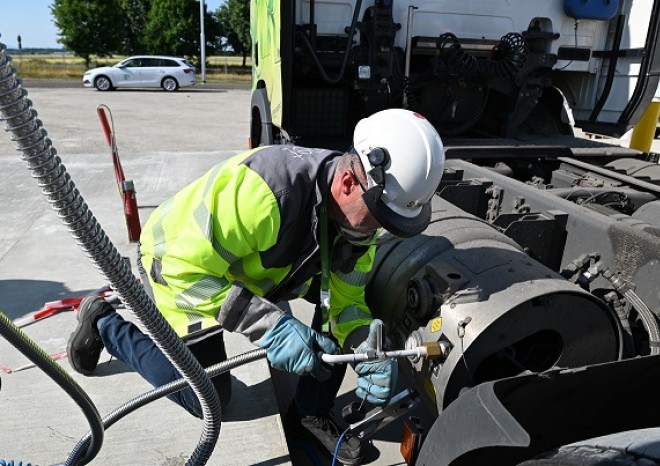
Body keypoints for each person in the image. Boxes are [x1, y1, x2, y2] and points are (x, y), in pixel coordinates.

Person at [66, 108, 445, 465]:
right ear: (348, 182)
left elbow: (344, 301)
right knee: (208, 397)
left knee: (330, 334)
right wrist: (270, 325)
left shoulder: (355, 220)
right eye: (378, 216)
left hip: (250, 266)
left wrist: (361, 341)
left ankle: (310, 415)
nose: (376, 229)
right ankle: (104, 322)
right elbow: (184, 270)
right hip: (177, 264)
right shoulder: (266, 194)